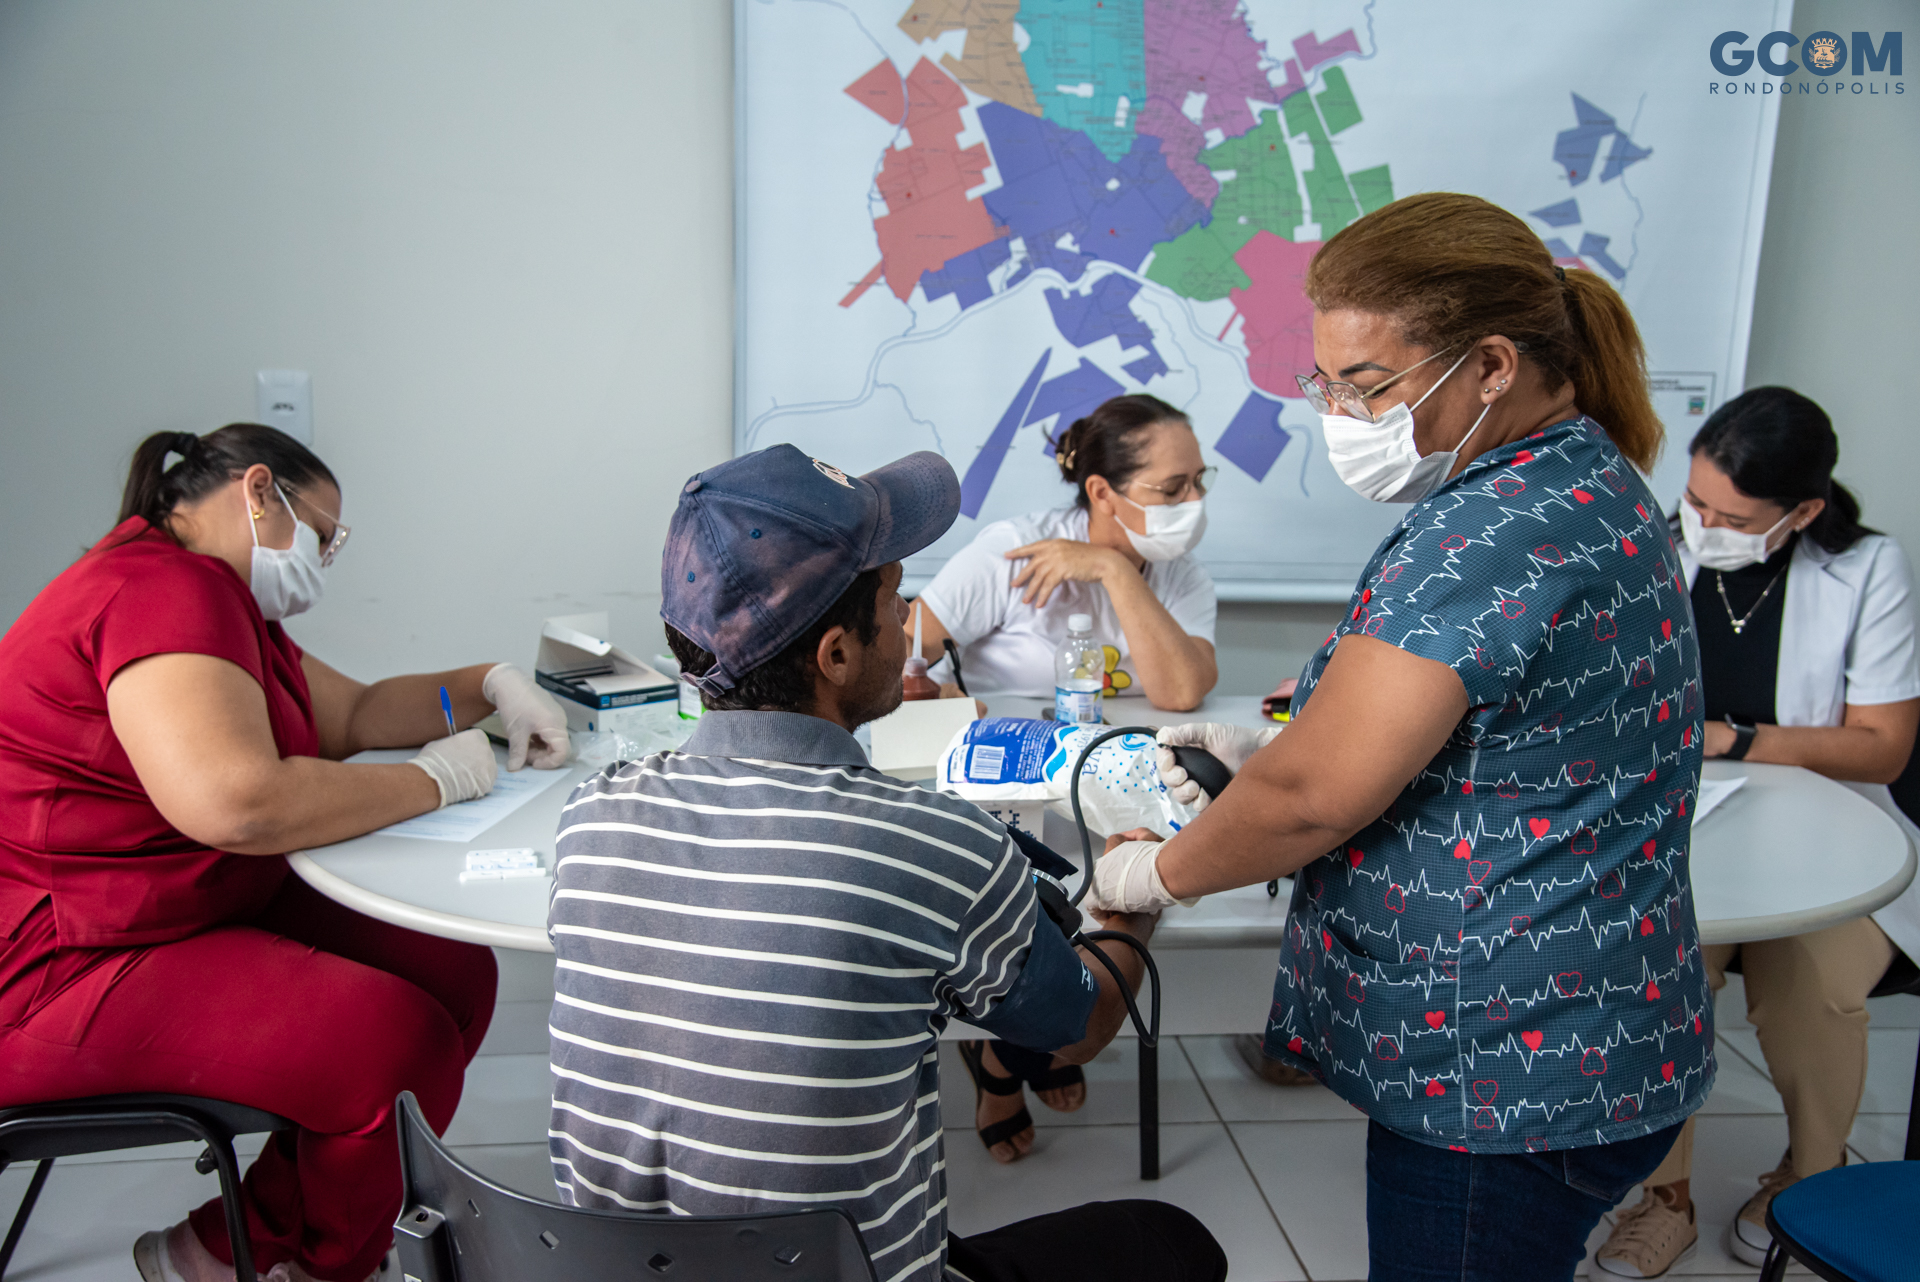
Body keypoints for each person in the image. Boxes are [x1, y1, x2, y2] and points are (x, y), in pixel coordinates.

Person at [1097, 192, 1712, 1281]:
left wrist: (1155, 874)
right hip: (1586, 1025)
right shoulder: (1581, 477)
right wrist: (1270, 740)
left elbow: (1315, 798)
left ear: (1491, 365)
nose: (1339, 412)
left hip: (1511, 1067)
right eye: (1325, 381)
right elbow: (1476, 721)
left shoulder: (1495, 526)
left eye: (1369, 386)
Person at [545, 443, 1225, 1282]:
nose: (911, 621)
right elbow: (1077, 1028)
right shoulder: (934, 846)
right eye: (896, 597)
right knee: (1173, 1245)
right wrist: (1137, 888)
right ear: (835, 655)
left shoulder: (592, 813)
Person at [0, 424, 572, 1282]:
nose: (323, 559)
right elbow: (239, 802)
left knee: (455, 975)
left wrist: (488, 685)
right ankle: (312, 1264)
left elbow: (357, 714)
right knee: (393, 1043)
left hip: (175, 905)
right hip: (65, 964)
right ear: (260, 492)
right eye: (324, 535)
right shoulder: (158, 592)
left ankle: (239, 1241)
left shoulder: (219, 599)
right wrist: (434, 784)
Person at [1592, 387, 1920, 1276]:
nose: (1700, 525)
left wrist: (1733, 741)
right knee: (1657, 974)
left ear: (1804, 510)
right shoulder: (1654, 547)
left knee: (1813, 989)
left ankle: (1809, 1183)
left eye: (1731, 515)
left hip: (1827, 844)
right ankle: (1662, 1198)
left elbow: (1883, 747)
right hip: (1676, 833)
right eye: (1694, 502)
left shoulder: (1867, 570)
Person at [910, 394, 1218, 711]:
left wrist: (1114, 569)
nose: (1195, 499)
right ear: (1102, 493)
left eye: (1199, 480)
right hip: (995, 742)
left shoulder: (1184, 574)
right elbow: (904, 644)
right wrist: (932, 703)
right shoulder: (1016, 550)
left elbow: (1182, 694)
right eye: (1173, 488)